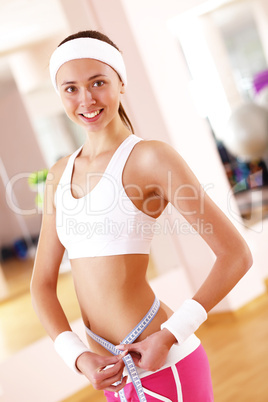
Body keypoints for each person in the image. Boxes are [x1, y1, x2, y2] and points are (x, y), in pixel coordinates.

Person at [30, 30, 253, 402]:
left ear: (120, 82)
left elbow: (236, 254)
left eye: (98, 82)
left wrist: (171, 334)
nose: (86, 99)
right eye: (70, 88)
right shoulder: (58, 174)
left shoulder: (150, 158)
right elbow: (41, 284)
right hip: (109, 373)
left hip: (162, 363)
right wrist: (78, 357)